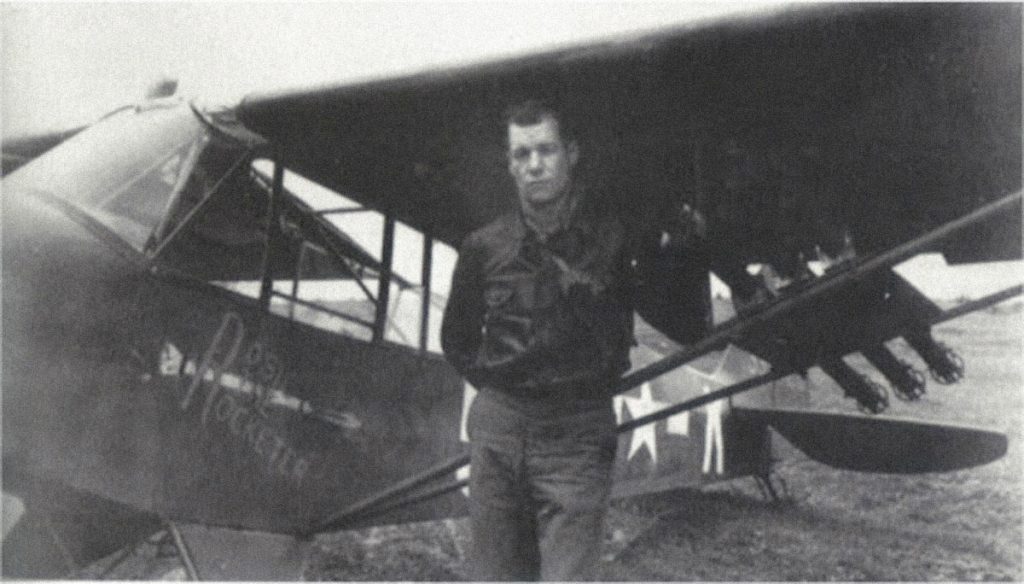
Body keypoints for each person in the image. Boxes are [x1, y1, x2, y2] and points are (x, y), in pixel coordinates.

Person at [441, 99, 760, 581]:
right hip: (500, 428)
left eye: (546, 150)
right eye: (522, 154)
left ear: (571, 153)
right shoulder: (483, 247)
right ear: (509, 165)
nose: (534, 165)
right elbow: (457, 339)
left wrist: (705, 256)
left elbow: (682, 316)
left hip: (576, 431)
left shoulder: (617, 239)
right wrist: (507, 387)